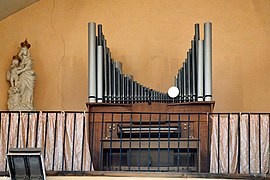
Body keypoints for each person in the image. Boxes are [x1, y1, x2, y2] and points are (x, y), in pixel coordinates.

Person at [17, 39, 36, 110]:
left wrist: (20, 71)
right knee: (22, 88)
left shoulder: (29, 59)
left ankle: (28, 103)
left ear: (27, 51)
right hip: (22, 76)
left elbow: (27, 67)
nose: (23, 51)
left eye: (25, 50)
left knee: (29, 89)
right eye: (22, 49)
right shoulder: (20, 61)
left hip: (28, 75)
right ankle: (21, 104)